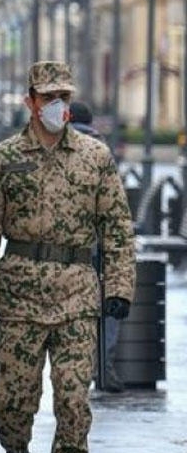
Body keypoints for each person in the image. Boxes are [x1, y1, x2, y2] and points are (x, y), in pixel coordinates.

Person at [0, 61, 135, 453]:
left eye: (64, 96)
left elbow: (118, 227)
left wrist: (119, 286)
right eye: (49, 97)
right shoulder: (3, 159)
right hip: (18, 296)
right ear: (31, 102)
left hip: (78, 294)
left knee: (74, 399)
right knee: (11, 401)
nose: (59, 105)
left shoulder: (94, 158)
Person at [69, 101, 126, 393]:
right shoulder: (101, 150)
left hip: (64, 250)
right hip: (97, 247)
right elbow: (115, 207)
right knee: (107, 308)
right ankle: (102, 366)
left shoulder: (52, 146)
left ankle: (73, 368)